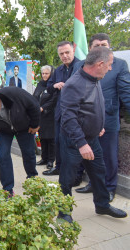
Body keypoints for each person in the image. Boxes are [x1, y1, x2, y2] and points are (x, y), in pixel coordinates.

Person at [58, 47, 127, 222]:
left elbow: (93, 106)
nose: (110, 69)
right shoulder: (74, 85)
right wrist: (81, 144)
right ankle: (63, 212)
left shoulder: (95, 78)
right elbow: (68, 118)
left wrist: (98, 126)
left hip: (93, 137)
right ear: (100, 64)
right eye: (109, 65)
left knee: (98, 172)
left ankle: (102, 205)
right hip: (74, 141)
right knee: (68, 177)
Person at [73, 34, 130, 202]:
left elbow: (126, 91)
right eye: (97, 45)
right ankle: (93, 183)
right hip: (86, 119)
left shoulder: (119, 65)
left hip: (109, 118)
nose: (101, 48)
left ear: (109, 46)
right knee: (90, 155)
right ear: (90, 48)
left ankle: (109, 188)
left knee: (109, 155)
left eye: (104, 44)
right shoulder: (80, 65)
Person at [43, 41, 80, 176]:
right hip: (60, 112)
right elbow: (48, 87)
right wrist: (55, 85)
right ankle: (58, 167)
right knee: (58, 141)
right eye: (61, 54)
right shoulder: (58, 70)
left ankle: (76, 174)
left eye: (67, 52)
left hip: (77, 113)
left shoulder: (81, 66)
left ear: (73, 50)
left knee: (75, 143)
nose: (64, 56)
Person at [33, 65, 57, 169]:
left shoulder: (53, 85)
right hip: (40, 116)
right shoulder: (40, 84)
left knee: (50, 139)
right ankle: (44, 158)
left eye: (46, 73)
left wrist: (43, 107)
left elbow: (54, 100)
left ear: (51, 74)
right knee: (42, 137)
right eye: (43, 73)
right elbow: (35, 96)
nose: (44, 75)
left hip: (50, 114)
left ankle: (51, 160)